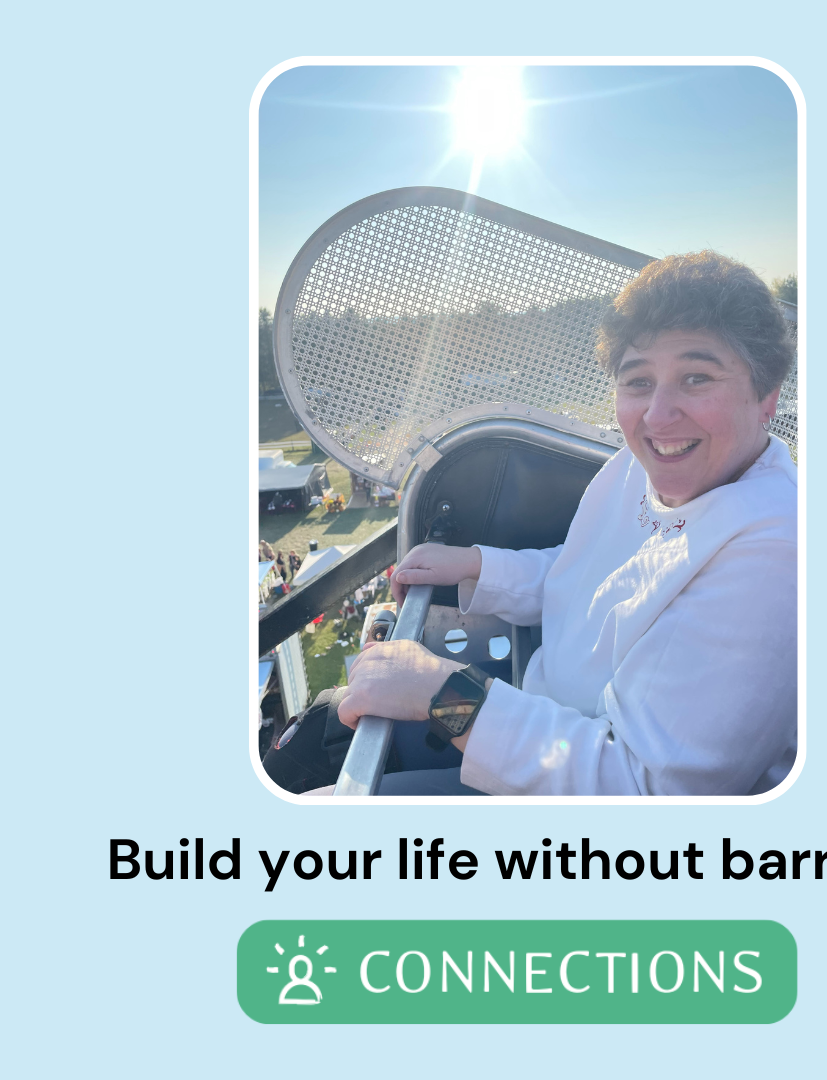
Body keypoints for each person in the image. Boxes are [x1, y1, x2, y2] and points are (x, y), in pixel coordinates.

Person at [336, 251, 798, 797]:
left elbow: (646, 790)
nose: (657, 415)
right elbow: (591, 574)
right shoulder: (641, 466)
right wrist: (482, 567)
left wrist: (443, 696)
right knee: (317, 738)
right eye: (638, 381)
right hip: (530, 725)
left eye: (696, 378)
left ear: (766, 395)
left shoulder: (773, 554)